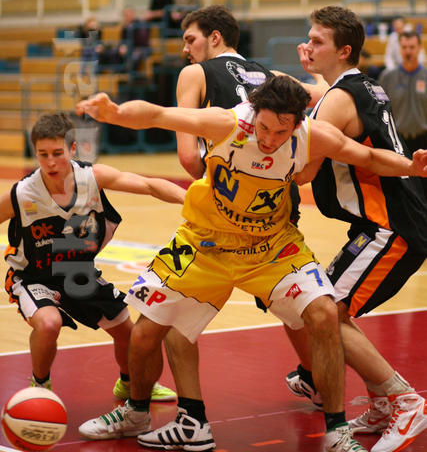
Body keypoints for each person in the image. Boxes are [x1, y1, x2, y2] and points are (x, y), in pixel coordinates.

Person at [76, 79, 427, 451]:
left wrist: (411, 166)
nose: (270, 139)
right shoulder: (227, 124)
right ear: (255, 114)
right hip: (205, 242)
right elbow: (158, 115)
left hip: (269, 247)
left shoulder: (311, 135)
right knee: (146, 333)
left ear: (297, 124)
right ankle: (140, 414)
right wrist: (115, 112)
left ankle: (336, 433)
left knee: (325, 313)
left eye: (281, 132)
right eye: (264, 127)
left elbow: (368, 158)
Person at [157, 4, 328, 450]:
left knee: (178, 314)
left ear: (214, 37)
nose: (186, 49)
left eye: (191, 39)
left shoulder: (194, 74)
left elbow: (188, 157)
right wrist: (316, 70)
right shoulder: (269, 74)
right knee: (288, 300)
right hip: (278, 201)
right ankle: (317, 381)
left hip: (228, 210)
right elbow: (321, 98)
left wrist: (224, 186)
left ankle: (172, 412)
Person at [283, 6, 427, 452]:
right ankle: (383, 402)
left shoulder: (338, 100)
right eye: (308, 38)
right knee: (329, 311)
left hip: (390, 226)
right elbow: (318, 95)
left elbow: (303, 172)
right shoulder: (362, 86)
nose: (308, 46)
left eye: (318, 41)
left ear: (343, 51)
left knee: (328, 314)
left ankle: (405, 401)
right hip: (380, 223)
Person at [1, 112, 185, 402]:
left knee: (129, 333)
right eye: (43, 154)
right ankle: (40, 385)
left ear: (73, 148)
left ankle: (129, 384)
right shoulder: (24, 193)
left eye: (57, 153)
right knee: (49, 324)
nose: (50, 162)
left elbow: (149, 185)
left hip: (76, 272)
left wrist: (191, 199)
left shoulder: (92, 178)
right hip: (33, 277)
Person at [379, 30, 427, 198]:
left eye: (412, 47)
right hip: (398, 143)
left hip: (423, 142)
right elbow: (380, 111)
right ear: (400, 48)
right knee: (402, 192)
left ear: (419, 48)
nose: (408, 51)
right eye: (404, 47)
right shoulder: (387, 78)